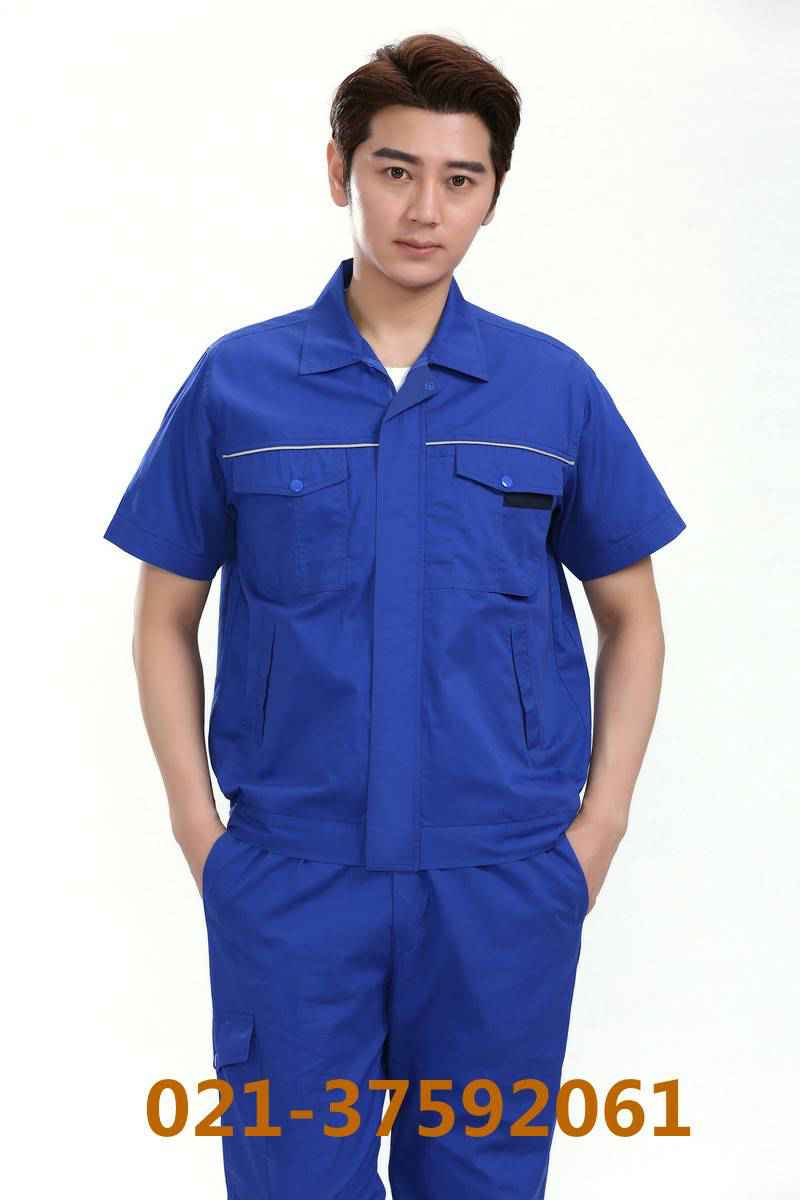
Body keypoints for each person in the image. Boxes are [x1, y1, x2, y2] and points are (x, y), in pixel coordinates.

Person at [103, 32, 687, 1200]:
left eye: (458, 179)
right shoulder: (238, 383)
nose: (424, 210)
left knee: (479, 1183)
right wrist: (198, 833)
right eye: (394, 170)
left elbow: (631, 616)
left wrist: (598, 831)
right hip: (292, 880)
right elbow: (164, 614)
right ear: (339, 171)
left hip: (500, 885)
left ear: (492, 194)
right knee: (290, 1183)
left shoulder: (550, 389)